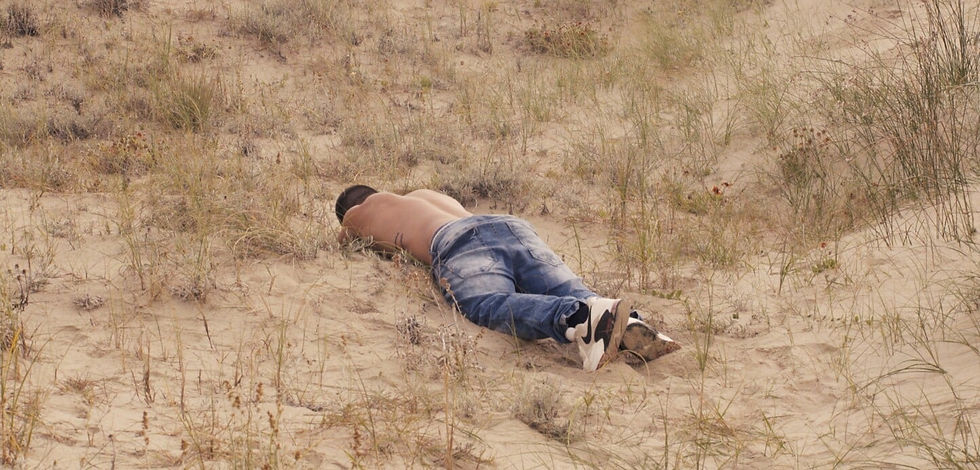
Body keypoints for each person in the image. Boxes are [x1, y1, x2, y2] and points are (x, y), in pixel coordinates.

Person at [336, 185, 679, 371]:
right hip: (508, 225)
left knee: (485, 303)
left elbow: (344, 237)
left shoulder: (360, 211)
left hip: (455, 241)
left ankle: (577, 319)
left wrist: (348, 221)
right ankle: (625, 320)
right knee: (565, 286)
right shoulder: (423, 195)